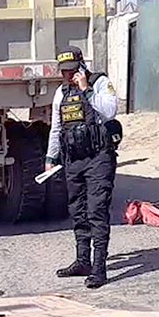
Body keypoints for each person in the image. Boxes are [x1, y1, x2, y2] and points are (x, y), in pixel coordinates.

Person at [44, 45, 120, 289]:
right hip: (73, 159)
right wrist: (50, 158)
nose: (68, 75)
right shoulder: (61, 93)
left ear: (81, 66)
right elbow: (56, 128)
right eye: (64, 72)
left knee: (97, 211)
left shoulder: (98, 83)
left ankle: (99, 268)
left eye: (72, 70)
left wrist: (86, 90)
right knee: (77, 210)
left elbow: (109, 111)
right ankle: (82, 260)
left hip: (98, 157)